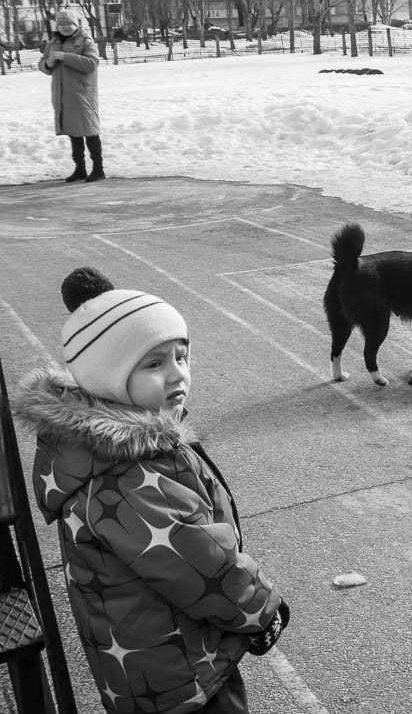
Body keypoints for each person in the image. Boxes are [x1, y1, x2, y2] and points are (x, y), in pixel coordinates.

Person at [13, 267, 288, 713]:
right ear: (107, 376)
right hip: (179, 674)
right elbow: (196, 561)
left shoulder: (103, 447)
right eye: (154, 364)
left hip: (144, 664)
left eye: (182, 356)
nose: (177, 374)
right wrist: (260, 609)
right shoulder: (126, 474)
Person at [38, 9, 105, 182]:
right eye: (62, 24)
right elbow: (43, 65)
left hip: (82, 95)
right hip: (62, 96)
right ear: (57, 26)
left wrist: (65, 56)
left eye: (69, 24)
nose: (66, 27)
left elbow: (92, 63)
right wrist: (48, 64)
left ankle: (98, 169)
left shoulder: (86, 41)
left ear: (76, 25)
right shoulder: (52, 42)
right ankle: (80, 169)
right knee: (73, 133)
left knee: (90, 131)